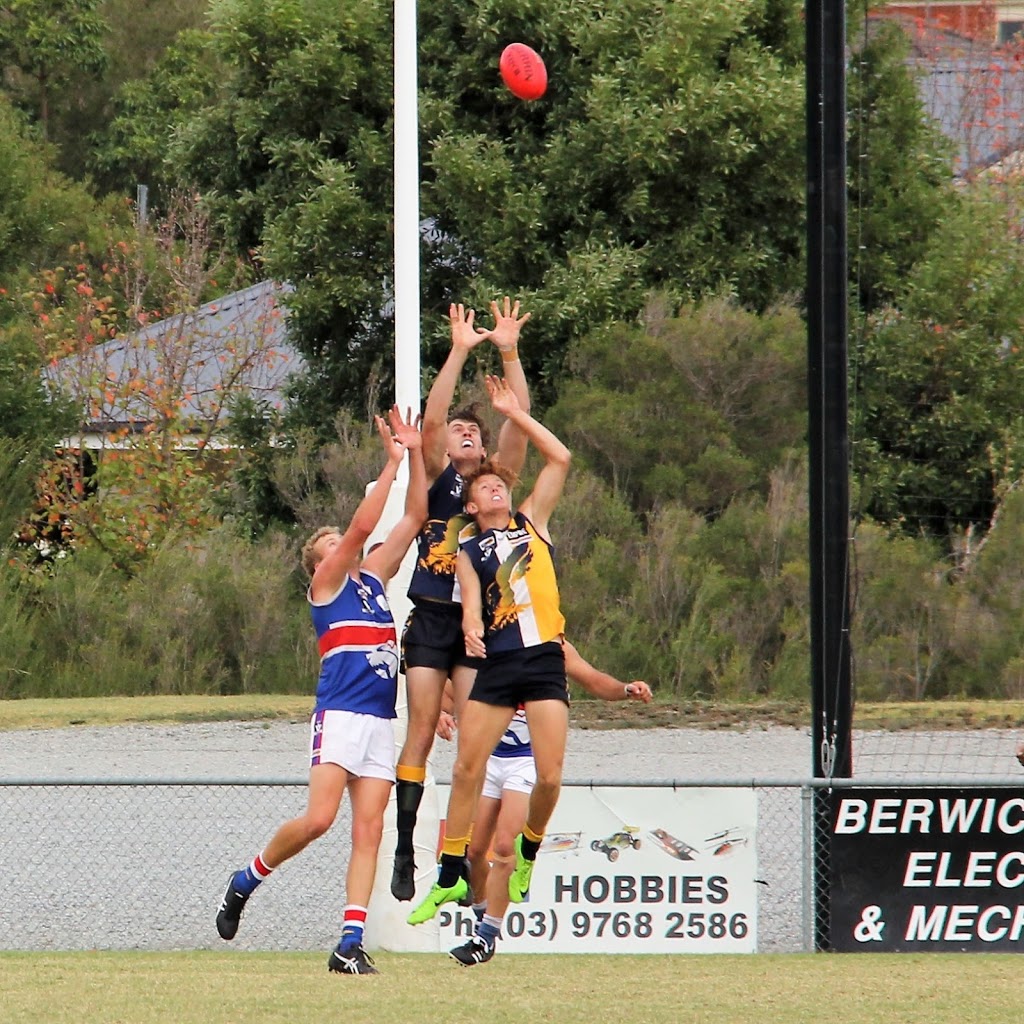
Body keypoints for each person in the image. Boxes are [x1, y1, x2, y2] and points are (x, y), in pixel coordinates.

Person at [215, 406, 426, 976]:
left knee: (370, 831)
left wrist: (417, 452)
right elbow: (362, 527)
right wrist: (390, 463)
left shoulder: (375, 578)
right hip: (341, 713)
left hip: (381, 720)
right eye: (330, 542)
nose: (343, 542)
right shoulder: (327, 585)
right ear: (320, 561)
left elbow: (416, 516)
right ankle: (245, 880)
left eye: (340, 540)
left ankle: (348, 943)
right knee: (318, 821)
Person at [407, 373, 572, 926]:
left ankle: (527, 849)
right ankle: (450, 873)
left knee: (549, 777)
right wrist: (473, 629)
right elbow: (470, 601)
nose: (494, 488)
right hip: (499, 664)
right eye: (484, 488)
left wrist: (515, 413)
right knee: (465, 769)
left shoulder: (534, 524)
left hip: (544, 658)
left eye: (499, 484)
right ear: (472, 506)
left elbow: (560, 459)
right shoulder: (469, 549)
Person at [391, 297, 532, 902]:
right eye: (459, 431)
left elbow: (519, 421)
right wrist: (457, 349)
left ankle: (455, 859)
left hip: (480, 624)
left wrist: (509, 351)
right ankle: (404, 850)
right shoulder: (438, 476)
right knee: (422, 728)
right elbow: (432, 420)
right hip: (432, 617)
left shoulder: (491, 490)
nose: (466, 432)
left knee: (475, 742)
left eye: (473, 431)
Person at [437, 642, 653, 966]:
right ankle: (482, 919)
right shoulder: (496, 637)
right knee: (475, 850)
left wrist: (625, 689)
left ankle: (486, 936)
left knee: (504, 846)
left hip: (524, 761)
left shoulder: (556, 646)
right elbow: (449, 685)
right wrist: (441, 712)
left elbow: (593, 679)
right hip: (490, 758)